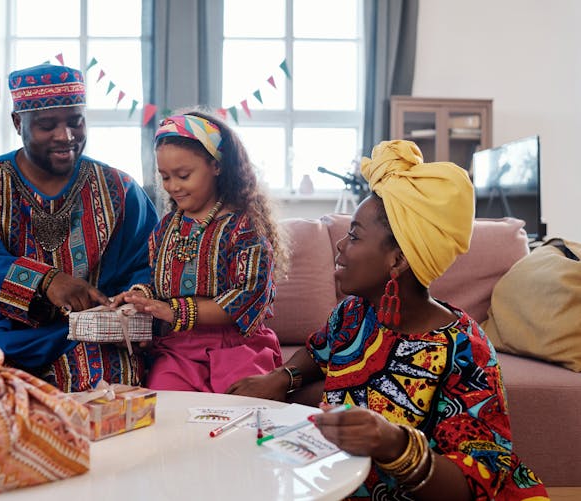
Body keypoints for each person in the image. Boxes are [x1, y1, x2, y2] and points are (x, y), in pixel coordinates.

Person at [227, 140, 548, 500]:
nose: (340, 246)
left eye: (354, 235)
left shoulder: (465, 352)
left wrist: (394, 443)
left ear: (397, 261)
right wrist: (280, 377)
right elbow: (319, 352)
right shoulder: (354, 312)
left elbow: (476, 485)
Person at [0, 63, 159, 392]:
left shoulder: (119, 189)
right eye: (46, 125)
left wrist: (135, 305)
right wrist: (44, 281)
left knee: (109, 395)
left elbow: (151, 260)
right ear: (17, 122)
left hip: (87, 335)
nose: (65, 136)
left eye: (75, 122)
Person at [118, 111, 284, 393]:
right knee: (165, 404)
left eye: (183, 175)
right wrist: (141, 298)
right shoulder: (166, 227)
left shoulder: (245, 229)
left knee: (244, 410)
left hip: (237, 348)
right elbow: (157, 281)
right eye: (165, 177)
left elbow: (245, 297)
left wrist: (172, 310)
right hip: (177, 350)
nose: (173, 187)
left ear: (216, 166)